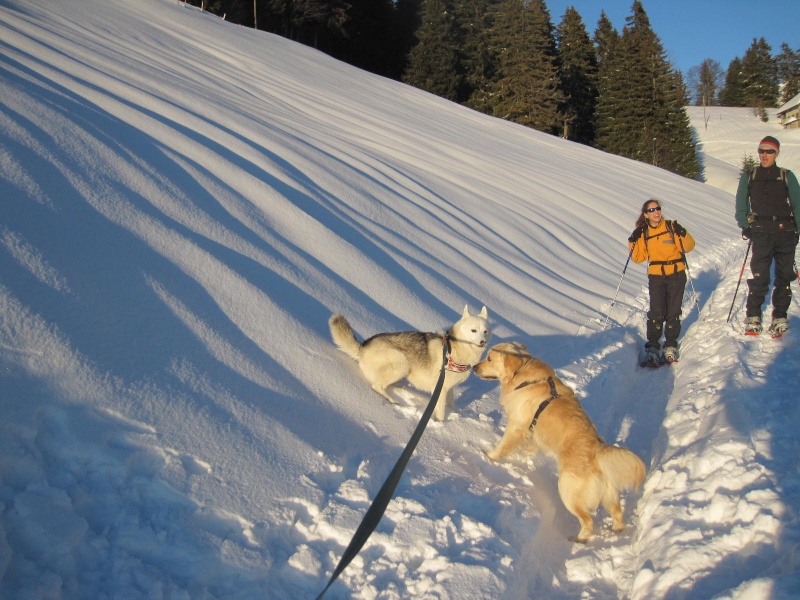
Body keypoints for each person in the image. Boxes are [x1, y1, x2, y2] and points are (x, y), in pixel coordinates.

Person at [735, 135, 800, 336]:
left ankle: (780, 316)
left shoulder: (786, 175)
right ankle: (753, 316)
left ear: (776, 153)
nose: (765, 154)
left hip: (785, 231)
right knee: (759, 275)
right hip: (761, 232)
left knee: (784, 275)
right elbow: (741, 204)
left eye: (769, 151)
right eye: (762, 150)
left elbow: (798, 204)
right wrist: (745, 224)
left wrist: (798, 228)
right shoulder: (750, 176)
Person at [628, 199, 695, 365]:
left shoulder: (672, 227)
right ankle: (653, 347)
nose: (656, 212)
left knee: (673, 311)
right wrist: (633, 240)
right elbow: (638, 257)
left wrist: (683, 233)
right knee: (656, 312)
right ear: (645, 214)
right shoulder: (644, 233)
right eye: (651, 210)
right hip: (657, 275)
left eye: (657, 209)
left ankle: (670, 346)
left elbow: (689, 246)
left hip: (676, 273)